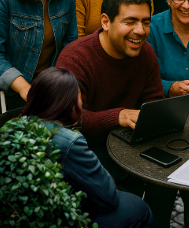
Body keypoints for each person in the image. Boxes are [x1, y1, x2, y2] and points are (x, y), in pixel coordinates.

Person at [55, 0, 175, 228]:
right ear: (106, 21)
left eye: (145, 22)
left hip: (130, 143)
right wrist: (116, 116)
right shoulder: (76, 58)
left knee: (168, 179)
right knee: (127, 203)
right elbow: (67, 122)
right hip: (88, 150)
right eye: (130, 21)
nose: (140, 31)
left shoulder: (146, 53)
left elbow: (152, 101)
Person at [21, 67, 153, 228]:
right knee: (137, 207)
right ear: (67, 104)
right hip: (60, 218)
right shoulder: (69, 141)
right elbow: (108, 198)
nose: (81, 102)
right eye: (78, 97)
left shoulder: (16, 126)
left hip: (28, 212)